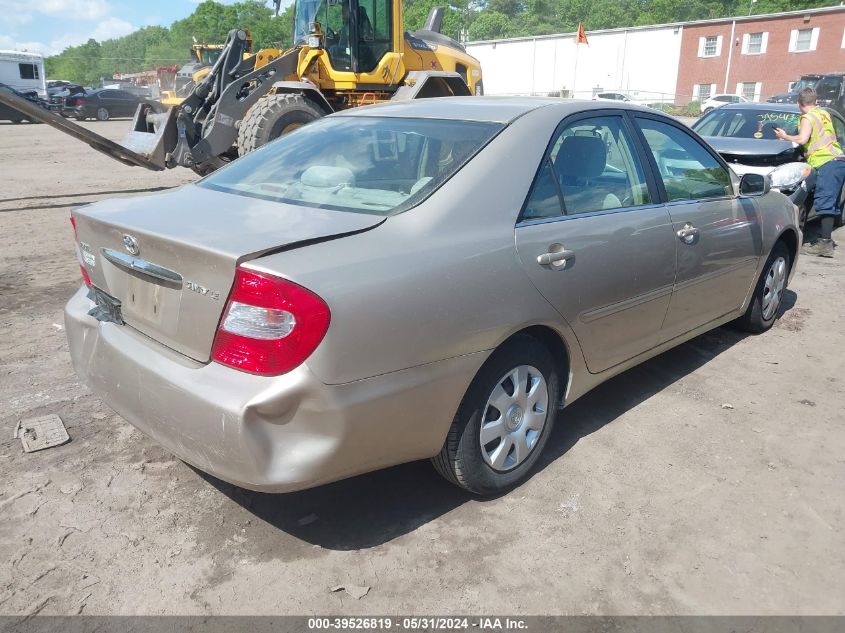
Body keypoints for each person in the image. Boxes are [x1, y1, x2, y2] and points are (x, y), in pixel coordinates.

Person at [775, 88, 845, 257]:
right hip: (836, 160)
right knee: (828, 201)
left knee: (825, 202)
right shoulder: (822, 113)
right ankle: (824, 242)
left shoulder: (807, 118)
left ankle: (825, 245)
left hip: (827, 162)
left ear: (799, 104)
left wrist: (785, 137)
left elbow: (803, 139)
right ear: (815, 101)